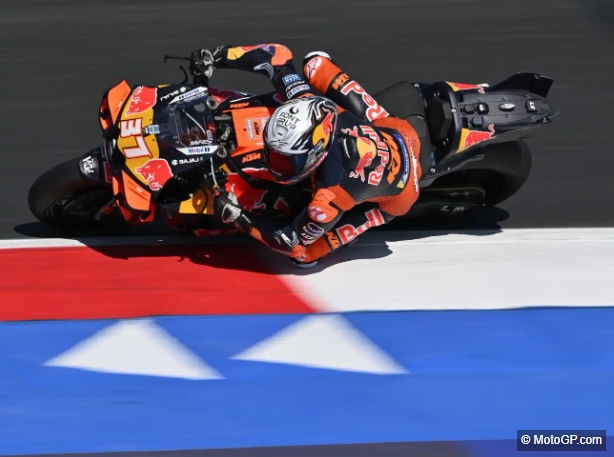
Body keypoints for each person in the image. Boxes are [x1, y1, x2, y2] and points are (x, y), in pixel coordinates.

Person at [190, 44, 422, 268]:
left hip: (403, 188)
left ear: (315, 154)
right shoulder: (304, 98)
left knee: (303, 256)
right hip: (390, 128)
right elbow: (277, 55)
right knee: (315, 63)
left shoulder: (327, 198)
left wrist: (239, 219)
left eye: (285, 160)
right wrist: (217, 56)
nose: (274, 163)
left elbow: (289, 241)